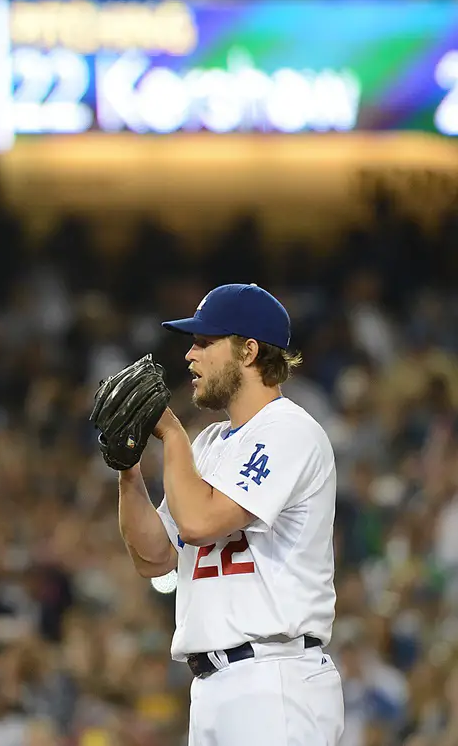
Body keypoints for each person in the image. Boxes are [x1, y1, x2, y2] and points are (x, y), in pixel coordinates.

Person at [115, 283, 343, 745]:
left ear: (249, 350)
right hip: (215, 687)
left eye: (204, 342)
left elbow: (200, 524)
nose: (189, 357)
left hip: (275, 680)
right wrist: (128, 469)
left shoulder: (289, 430)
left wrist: (171, 433)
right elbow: (155, 558)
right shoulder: (211, 443)